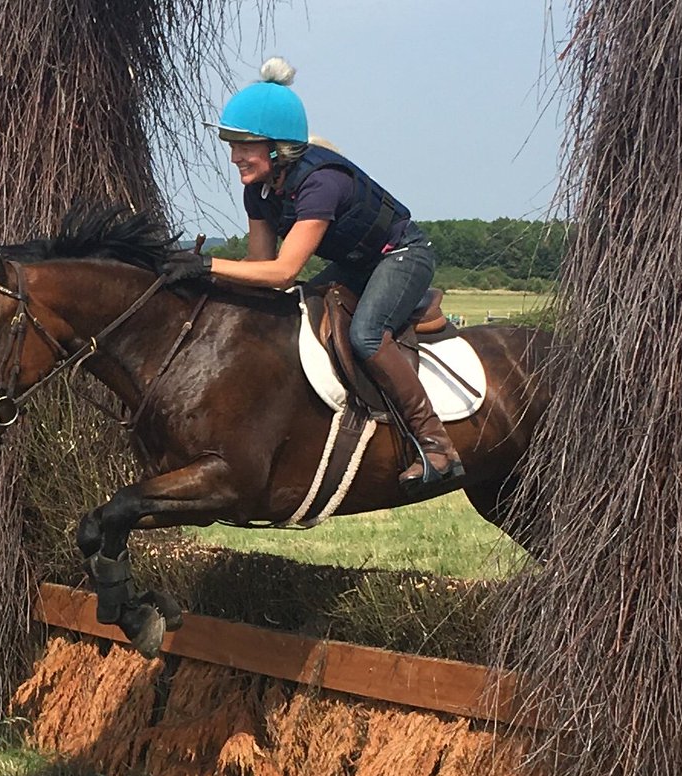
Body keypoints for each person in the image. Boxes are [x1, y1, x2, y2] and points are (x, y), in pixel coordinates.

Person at [159, 58, 463, 489]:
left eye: (244, 146)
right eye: (232, 146)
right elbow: (259, 264)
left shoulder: (322, 183)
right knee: (289, 317)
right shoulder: (259, 191)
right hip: (357, 266)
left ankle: (436, 445)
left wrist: (207, 264)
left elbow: (283, 271)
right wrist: (198, 277)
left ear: (277, 148)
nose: (234, 157)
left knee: (366, 336)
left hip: (403, 256)